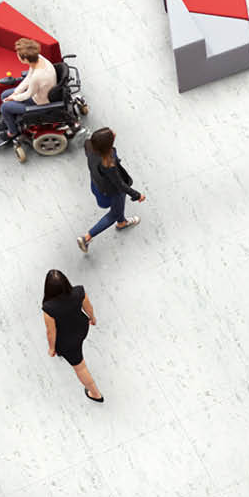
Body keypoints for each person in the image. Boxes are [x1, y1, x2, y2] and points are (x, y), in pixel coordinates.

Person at [78, 128, 145, 253]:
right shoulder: (108, 164)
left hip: (97, 184)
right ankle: (86, 238)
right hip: (114, 191)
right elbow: (120, 185)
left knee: (118, 209)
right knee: (114, 214)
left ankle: (122, 222)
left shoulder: (89, 145)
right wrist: (137, 195)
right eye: (111, 135)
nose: (114, 133)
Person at [41, 269, 104, 402]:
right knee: (77, 352)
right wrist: (92, 318)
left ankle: (95, 394)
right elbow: (88, 307)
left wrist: (52, 349)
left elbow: (51, 332)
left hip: (67, 341)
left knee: (80, 367)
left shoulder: (48, 308)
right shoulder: (79, 292)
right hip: (82, 328)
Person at [0, 38, 57, 142]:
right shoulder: (39, 58)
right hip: (39, 93)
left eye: (18, 54)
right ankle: (10, 120)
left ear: (25, 59)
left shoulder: (38, 76)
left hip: (40, 104)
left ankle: (13, 132)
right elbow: (28, 78)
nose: (17, 55)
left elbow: (28, 94)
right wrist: (15, 93)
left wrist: (13, 98)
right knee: (4, 95)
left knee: (4, 107)